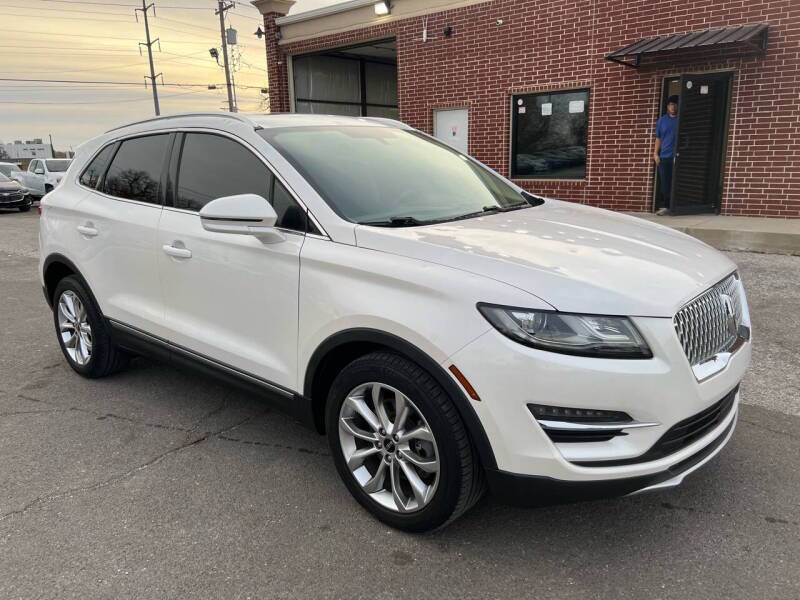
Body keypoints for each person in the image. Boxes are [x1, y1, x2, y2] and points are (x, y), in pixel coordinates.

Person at [653, 95, 678, 216]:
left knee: (676, 182)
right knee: (665, 182)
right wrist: (655, 154)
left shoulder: (680, 119)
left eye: (675, 104)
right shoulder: (662, 121)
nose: (673, 107)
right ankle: (665, 206)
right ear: (667, 106)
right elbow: (658, 138)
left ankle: (676, 207)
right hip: (664, 156)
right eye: (670, 105)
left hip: (677, 156)